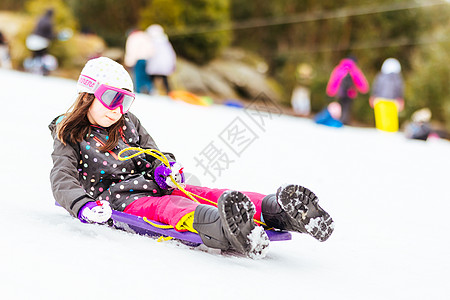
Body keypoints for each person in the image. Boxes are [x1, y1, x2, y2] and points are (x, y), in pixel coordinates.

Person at [49, 57, 334, 258]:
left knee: (207, 192)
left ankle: (278, 211)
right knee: (171, 209)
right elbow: (62, 178)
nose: (118, 109)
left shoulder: (128, 122)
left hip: (158, 184)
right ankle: (222, 226)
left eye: (125, 101)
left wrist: (165, 166)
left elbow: (154, 152)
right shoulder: (69, 133)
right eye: (112, 98)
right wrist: (83, 206)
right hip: (123, 199)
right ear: (88, 94)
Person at [326, 56, 369, 125]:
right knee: (347, 106)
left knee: (340, 105)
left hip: (340, 92)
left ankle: (339, 120)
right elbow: (360, 80)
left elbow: (334, 80)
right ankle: (344, 121)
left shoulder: (339, 68)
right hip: (350, 92)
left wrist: (331, 90)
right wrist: (364, 89)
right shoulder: (354, 69)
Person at [369, 58, 404, 132]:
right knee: (391, 124)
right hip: (392, 102)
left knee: (381, 123)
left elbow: (376, 87)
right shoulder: (398, 78)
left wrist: (373, 96)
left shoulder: (380, 76)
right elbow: (399, 89)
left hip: (380, 101)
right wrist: (400, 99)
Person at [145, 25, 176, 94]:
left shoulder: (152, 42)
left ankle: (151, 92)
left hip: (155, 63)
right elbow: (171, 54)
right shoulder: (165, 42)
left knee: (152, 78)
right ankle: (169, 92)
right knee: (164, 79)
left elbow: (149, 52)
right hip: (163, 64)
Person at [124, 29, 154, 94]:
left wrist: (129, 62)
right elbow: (151, 49)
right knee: (145, 76)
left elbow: (131, 50)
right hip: (146, 59)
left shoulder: (133, 38)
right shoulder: (145, 37)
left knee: (137, 76)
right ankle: (150, 89)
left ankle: (138, 91)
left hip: (137, 59)